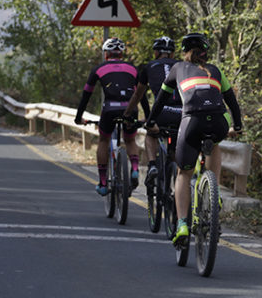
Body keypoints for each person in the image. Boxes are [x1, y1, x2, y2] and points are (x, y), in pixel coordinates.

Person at [145, 32, 242, 246]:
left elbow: (160, 100)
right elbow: (232, 103)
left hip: (191, 122)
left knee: (183, 174)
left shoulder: (177, 69)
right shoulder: (216, 70)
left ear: (184, 52)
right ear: (206, 54)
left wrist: (150, 121)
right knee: (214, 142)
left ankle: (181, 225)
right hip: (218, 120)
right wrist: (238, 126)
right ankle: (213, 192)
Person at [75, 37, 142, 196]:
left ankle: (103, 182)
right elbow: (141, 94)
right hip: (130, 108)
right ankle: (134, 169)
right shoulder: (133, 69)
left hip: (110, 109)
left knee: (104, 140)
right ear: (121, 54)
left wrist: (79, 117)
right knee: (130, 139)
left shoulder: (98, 69)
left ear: (106, 54)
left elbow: (86, 95)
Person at [124, 36, 181, 186]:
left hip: (161, 112)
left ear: (156, 53)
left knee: (151, 133)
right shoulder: (183, 66)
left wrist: (127, 114)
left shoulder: (149, 66)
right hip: (182, 112)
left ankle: (152, 165)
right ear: (173, 54)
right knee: (174, 146)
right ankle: (176, 175)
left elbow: (138, 94)